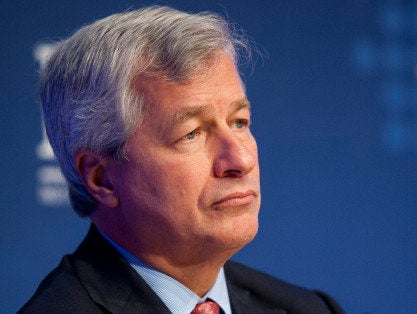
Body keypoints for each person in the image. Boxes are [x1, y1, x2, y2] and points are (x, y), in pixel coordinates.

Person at [20, 6, 343, 314]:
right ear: (101, 178)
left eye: (239, 122)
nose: (240, 160)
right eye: (191, 134)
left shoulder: (308, 308)